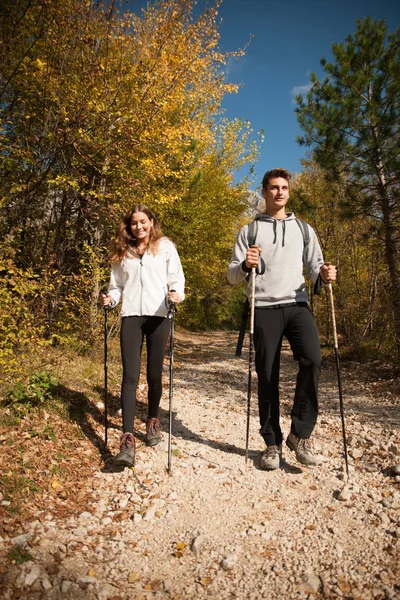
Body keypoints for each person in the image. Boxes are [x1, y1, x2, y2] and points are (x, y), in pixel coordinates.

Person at [227, 168, 336, 470]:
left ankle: (300, 435)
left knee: (313, 359)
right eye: (273, 187)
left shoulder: (303, 229)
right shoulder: (249, 231)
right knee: (267, 375)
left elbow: (315, 269)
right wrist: (245, 264)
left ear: (289, 192)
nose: (279, 192)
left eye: (284, 187)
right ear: (264, 192)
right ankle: (271, 443)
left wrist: (325, 275)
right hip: (262, 307)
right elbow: (232, 275)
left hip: (297, 304)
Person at [101, 204, 185, 467]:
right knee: (129, 375)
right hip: (131, 317)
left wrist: (176, 295)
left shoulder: (165, 247)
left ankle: (152, 420)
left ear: (151, 222)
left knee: (153, 375)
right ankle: (127, 439)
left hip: (159, 316)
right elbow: (117, 286)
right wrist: (110, 299)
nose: (139, 226)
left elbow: (177, 280)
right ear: (129, 226)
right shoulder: (121, 252)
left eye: (143, 222)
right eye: (134, 223)